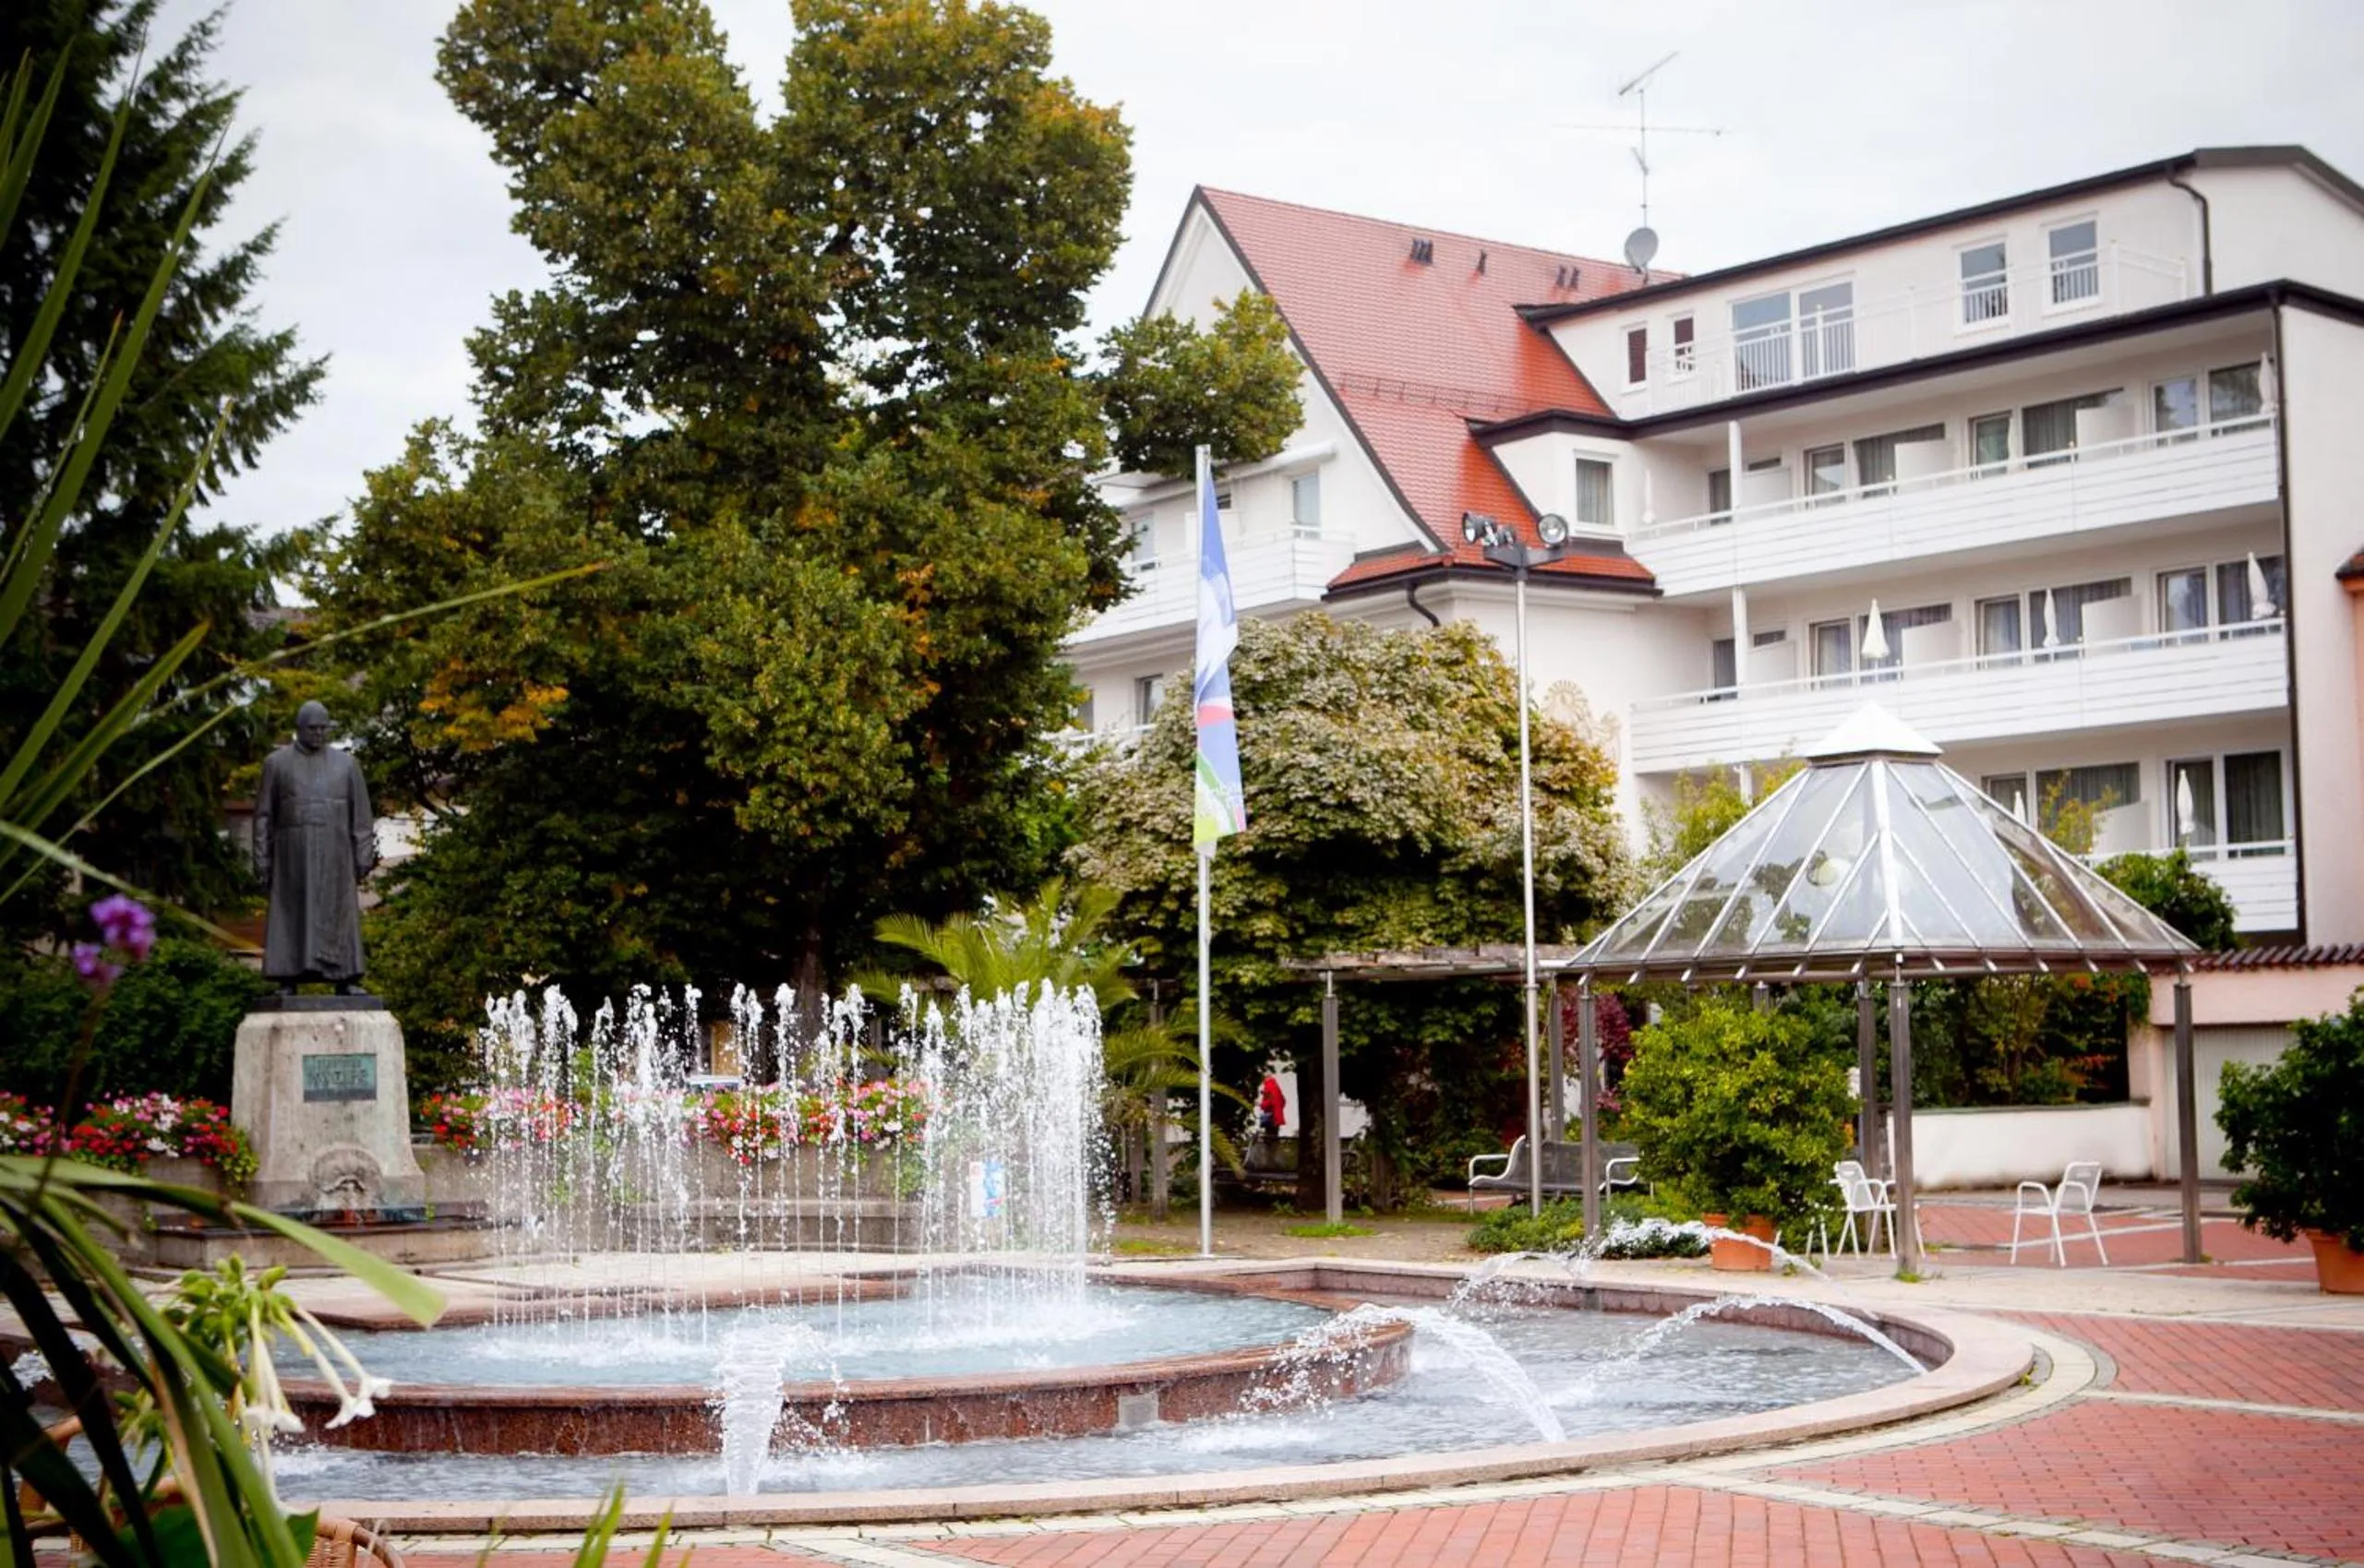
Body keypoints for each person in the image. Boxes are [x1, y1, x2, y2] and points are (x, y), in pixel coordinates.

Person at [254, 700, 377, 992]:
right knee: (290, 912)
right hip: (291, 857)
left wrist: (364, 853)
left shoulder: (347, 765)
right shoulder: (277, 764)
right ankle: (288, 976)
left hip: (337, 855)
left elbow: (361, 816)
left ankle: (345, 978)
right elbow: (263, 816)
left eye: (324, 728)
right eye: (313, 728)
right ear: (299, 729)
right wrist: (261, 858)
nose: (319, 733)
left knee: (339, 913)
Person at [1257, 1071, 1287, 1139]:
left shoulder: (1268, 1086)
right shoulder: (1276, 1087)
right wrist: (1278, 1108)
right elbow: (1283, 1101)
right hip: (1277, 1115)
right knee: (1275, 1135)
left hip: (1270, 1115)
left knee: (1269, 1137)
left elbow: (1270, 1100)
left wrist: (1261, 1105)